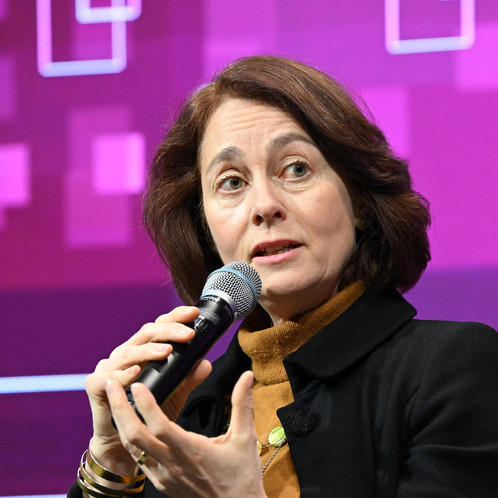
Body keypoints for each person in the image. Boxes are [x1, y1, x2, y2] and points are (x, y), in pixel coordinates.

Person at [68, 56, 498, 498]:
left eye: (296, 169)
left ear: (360, 202)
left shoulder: (453, 368)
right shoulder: (183, 411)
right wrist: (113, 463)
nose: (263, 206)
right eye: (232, 182)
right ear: (206, 229)